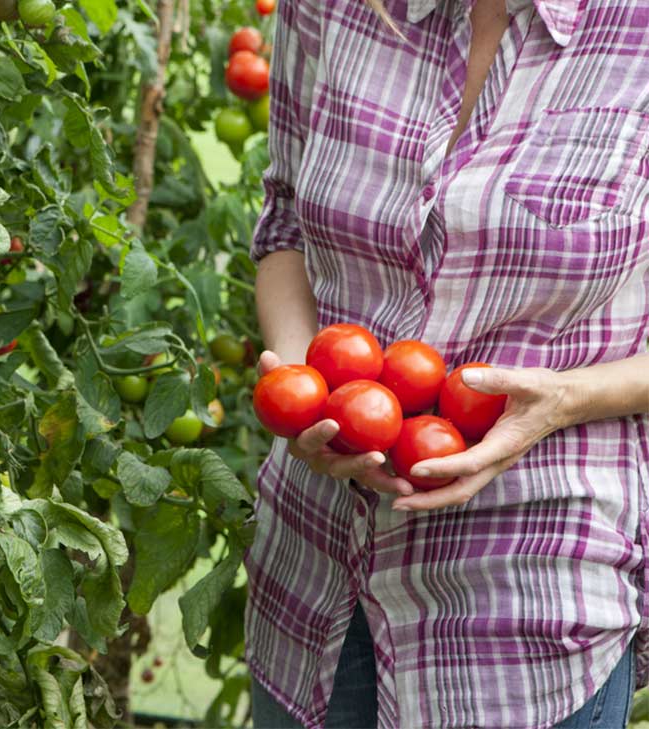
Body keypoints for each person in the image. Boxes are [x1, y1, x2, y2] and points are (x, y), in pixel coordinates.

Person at [246, 0, 649, 726]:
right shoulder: (329, 8)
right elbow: (283, 223)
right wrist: (309, 385)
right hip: (311, 581)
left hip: (528, 605)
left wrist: (565, 398)